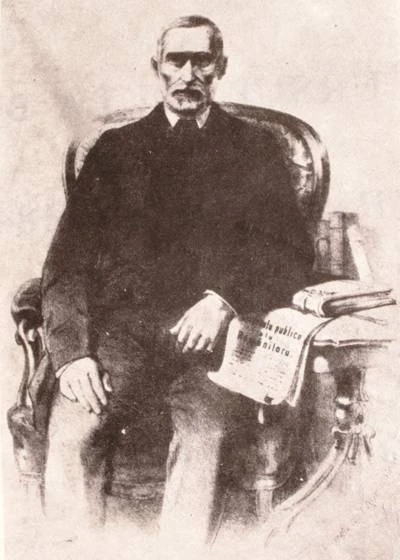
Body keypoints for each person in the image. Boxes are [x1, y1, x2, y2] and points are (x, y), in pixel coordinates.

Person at [41, 14, 314, 556]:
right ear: (157, 68)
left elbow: (290, 255)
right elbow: (65, 264)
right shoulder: (115, 150)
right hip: (120, 340)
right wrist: (72, 357)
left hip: (213, 348)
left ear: (221, 68)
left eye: (201, 61)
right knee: (72, 431)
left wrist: (224, 300)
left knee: (205, 440)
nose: (188, 75)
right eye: (176, 61)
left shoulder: (256, 149)